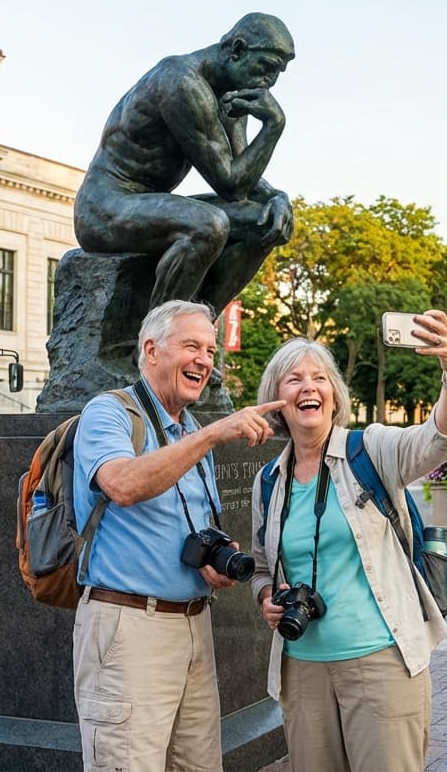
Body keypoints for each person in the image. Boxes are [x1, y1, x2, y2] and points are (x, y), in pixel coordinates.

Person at [70, 300, 286, 772]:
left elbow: (191, 523)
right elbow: (123, 485)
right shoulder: (108, 412)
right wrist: (211, 436)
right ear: (151, 349)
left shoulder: (189, 429)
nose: (205, 360)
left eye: (210, 349)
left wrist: (216, 558)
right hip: (128, 627)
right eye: (192, 346)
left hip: (193, 625)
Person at [250, 310, 447, 772]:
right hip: (301, 669)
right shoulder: (268, 480)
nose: (308, 387)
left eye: (319, 378)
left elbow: (437, 440)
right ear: (276, 400)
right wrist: (267, 596)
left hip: (380, 661)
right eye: (293, 379)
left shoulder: (369, 449)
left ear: (334, 395)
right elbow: (263, 565)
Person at [73, 13, 296, 317]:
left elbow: (245, 175)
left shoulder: (232, 94)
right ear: (237, 49)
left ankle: (198, 330)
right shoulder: (182, 82)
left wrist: (276, 198)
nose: (269, 81)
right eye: (267, 67)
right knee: (209, 225)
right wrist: (274, 125)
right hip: (103, 207)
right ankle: (158, 341)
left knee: (266, 221)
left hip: (149, 203)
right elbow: (230, 185)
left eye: (278, 73)